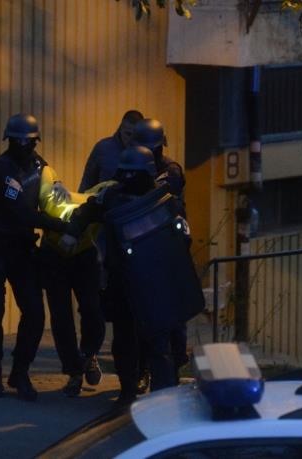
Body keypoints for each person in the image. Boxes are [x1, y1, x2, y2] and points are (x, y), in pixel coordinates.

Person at [60, 146, 205, 404]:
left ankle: (163, 398)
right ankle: (128, 392)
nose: (129, 179)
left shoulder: (162, 199)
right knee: (125, 340)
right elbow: (86, 211)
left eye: (134, 174)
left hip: (155, 281)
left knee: (159, 342)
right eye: (126, 173)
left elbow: (181, 235)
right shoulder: (111, 196)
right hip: (123, 279)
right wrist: (72, 232)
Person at [0, 113, 72, 401]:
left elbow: (49, 190)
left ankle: (20, 371)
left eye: (29, 142)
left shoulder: (39, 166)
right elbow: (23, 213)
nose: (25, 146)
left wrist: (60, 191)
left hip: (22, 250)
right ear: (9, 141)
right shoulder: (0, 171)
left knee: (35, 314)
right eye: (19, 141)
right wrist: (62, 226)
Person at [37, 167, 115, 397]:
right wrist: (57, 183)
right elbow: (44, 170)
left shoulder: (102, 198)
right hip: (53, 256)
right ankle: (74, 372)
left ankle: (88, 355)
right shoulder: (48, 193)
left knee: (92, 309)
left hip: (85, 255)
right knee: (61, 317)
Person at [130, 118, 190, 394]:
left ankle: (173, 369)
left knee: (174, 318)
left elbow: (160, 193)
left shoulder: (170, 171)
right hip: (145, 247)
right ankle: (143, 369)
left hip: (170, 247)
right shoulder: (133, 166)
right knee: (143, 317)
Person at [78, 110, 144, 193]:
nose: (131, 139)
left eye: (136, 135)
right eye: (128, 134)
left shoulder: (147, 152)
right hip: (105, 199)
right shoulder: (103, 148)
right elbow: (87, 183)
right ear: (121, 129)